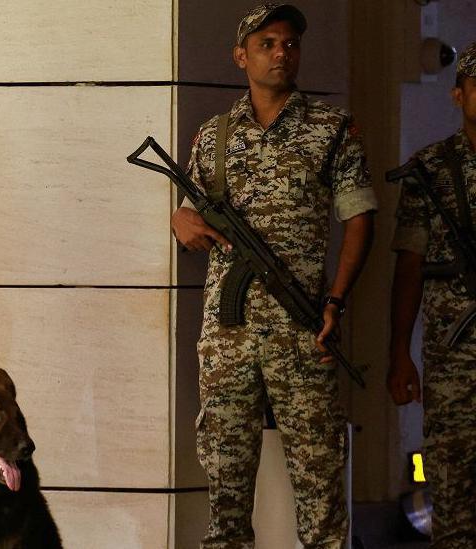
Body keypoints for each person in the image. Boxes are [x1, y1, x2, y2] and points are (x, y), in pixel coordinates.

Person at [170, 4, 377, 547]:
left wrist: (335, 300)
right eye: (267, 43)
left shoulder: (330, 129)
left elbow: (360, 219)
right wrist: (179, 219)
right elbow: (188, 216)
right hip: (227, 337)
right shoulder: (211, 137)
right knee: (226, 493)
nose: (282, 53)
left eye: (290, 44)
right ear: (241, 56)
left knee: (320, 488)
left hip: (303, 331)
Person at [389, 41, 476, 549]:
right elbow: (410, 268)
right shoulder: (431, 169)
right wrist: (400, 354)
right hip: (452, 358)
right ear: (457, 95)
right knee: (453, 491)